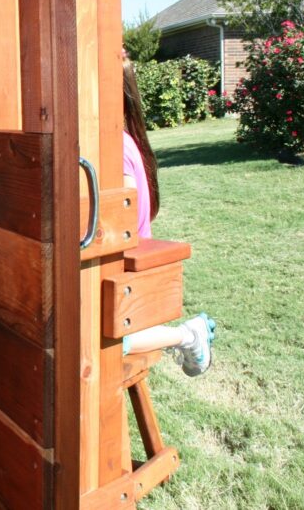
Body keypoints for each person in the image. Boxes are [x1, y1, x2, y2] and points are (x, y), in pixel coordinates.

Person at [120, 57, 217, 376]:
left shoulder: (116, 148)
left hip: (128, 284)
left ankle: (189, 335)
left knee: (101, 338)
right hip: (121, 278)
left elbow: (121, 225)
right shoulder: (123, 141)